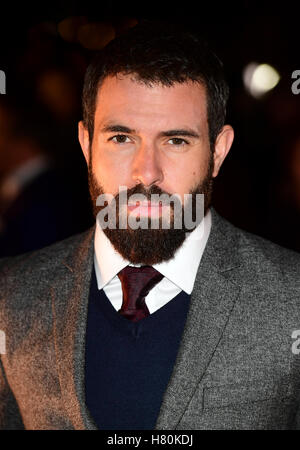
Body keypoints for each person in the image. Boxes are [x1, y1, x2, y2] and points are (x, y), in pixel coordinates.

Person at [0, 20, 300, 431]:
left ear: (218, 151)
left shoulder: (292, 297)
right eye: (121, 138)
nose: (146, 173)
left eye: (176, 141)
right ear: (87, 145)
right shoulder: (11, 296)